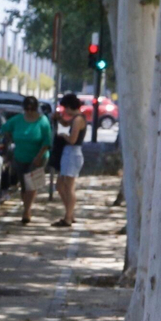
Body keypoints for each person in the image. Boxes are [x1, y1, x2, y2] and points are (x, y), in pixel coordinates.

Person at [0, 96, 53, 224]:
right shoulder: (17, 120)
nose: (29, 111)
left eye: (32, 109)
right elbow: (4, 129)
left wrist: (38, 157)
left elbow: (47, 141)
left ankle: (26, 211)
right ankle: (26, 207)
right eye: (27, 109)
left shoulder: (42, 121)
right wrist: (9, 139)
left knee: (31, 185)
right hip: (20, 157)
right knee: (24, 187)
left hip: (39, 157)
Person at [52, 93, 89, 227]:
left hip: (73, 153)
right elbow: (66, 122)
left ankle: (68, 217)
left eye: (65, 108)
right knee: (60, 186)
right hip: (69, 154)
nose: (64, 111)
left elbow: (73, 139)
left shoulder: (78, 119)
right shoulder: (75, 119)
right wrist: (59, 119)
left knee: (68, 186)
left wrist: (63, 135)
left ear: (69, 106)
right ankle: (70, 213)